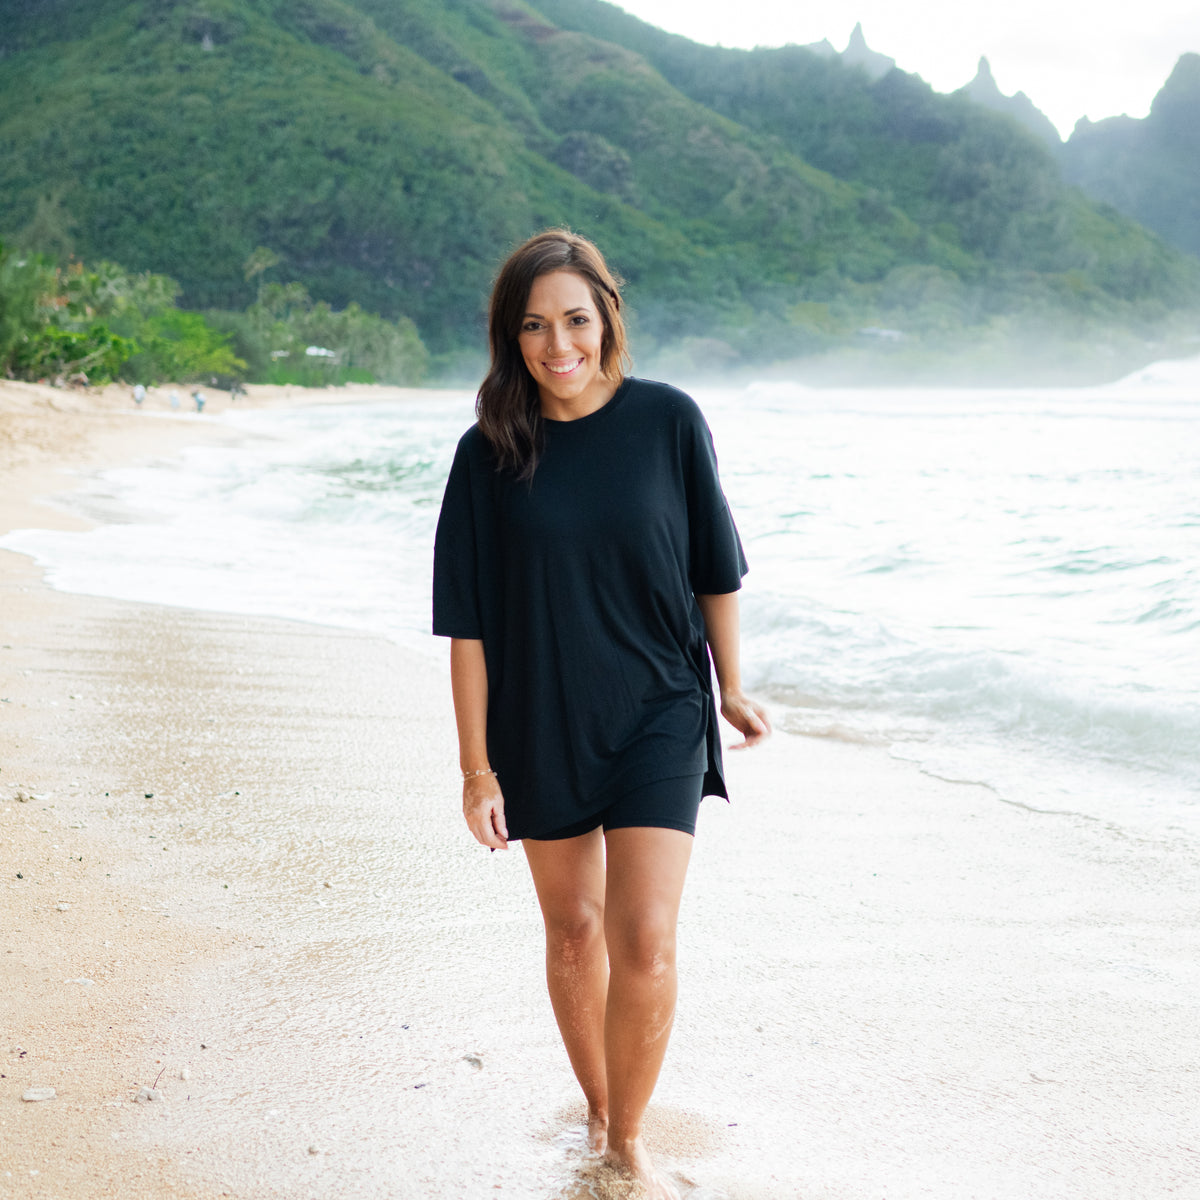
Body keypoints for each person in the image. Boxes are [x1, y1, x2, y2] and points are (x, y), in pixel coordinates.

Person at [432, 229, 770, 1199]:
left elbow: (715, 569)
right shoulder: (488, 454)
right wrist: (475, 769)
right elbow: (467, 626)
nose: (557, 344)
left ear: (608, 317)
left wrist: (732, 686)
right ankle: (596, 1102)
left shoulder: (668, 420)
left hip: (662, 706)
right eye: (533, 326)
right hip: (541, 719)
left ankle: (628, 1141)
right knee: (574, 930)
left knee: (647, 937)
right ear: (512, 338)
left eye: (575, 319)